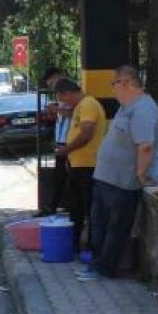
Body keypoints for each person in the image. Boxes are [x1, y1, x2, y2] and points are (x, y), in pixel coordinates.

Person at [78, 66, 158, 281]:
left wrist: (141, 173)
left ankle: (106, 268)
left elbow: (145, 146)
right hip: (106, 178)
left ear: (126, 83)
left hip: (123, 182)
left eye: (114, 84)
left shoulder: (143, 109)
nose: (113, 89)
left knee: (115, 228)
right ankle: (97, 264)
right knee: (99, 224)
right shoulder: (127, 107)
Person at [53, 79, 106, 254]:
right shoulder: (80, 107)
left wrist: (66, 149)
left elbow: (87, 133)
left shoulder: (88, 104)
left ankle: (92, 248)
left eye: (63, 98)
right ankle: (75, 244)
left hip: (89, 166)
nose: (64, 103)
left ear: (67, 93)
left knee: (90, 209)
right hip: (78, 166)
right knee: (76, 208)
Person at [42, 68, 70, 215]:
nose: (52, 87)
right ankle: (54, 206)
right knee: (60, 175)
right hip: (61, 140)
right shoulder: (61, 94)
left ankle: (53, 207)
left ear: (57, 76)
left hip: (69, 141)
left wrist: (56, 109)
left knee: (63, 175)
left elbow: (72, 112)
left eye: (51, 82)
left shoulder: (70, 91)